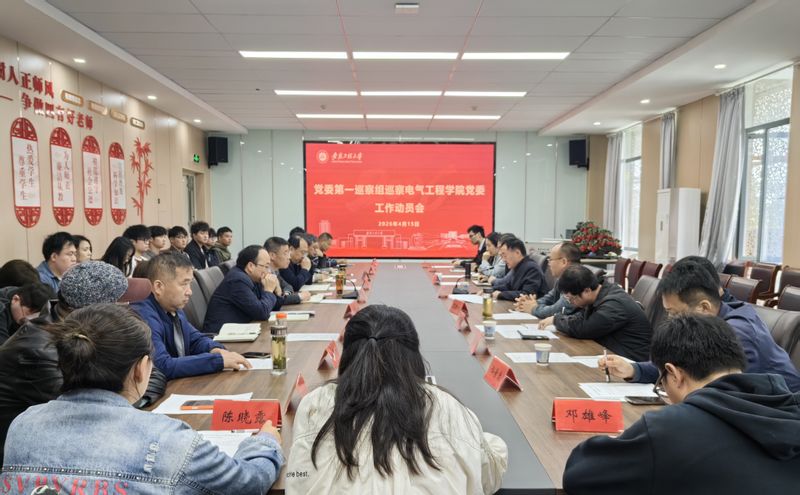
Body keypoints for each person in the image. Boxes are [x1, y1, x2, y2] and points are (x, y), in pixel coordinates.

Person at [1, 303, 285, 494]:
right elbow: (248, 482)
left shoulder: (23, 425)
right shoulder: (168, 440)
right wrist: (266, 441)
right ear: (141, 369)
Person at [563, 314, 800, 494]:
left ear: (674, 374)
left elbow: (579, 476)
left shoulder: (669, 430)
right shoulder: (791, 408)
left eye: (661, 382)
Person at [286, 305, 508, 494]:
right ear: (413, 357)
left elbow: (297, 478)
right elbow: (489, 476)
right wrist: (479, 439)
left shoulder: (314, 404)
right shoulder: (449, 408)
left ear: (349, 354)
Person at [602, 258, 800, 392]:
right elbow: (680, 365)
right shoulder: (707, 324)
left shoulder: (737, 334)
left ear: (704, 307)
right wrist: (633, 369)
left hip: (781, 419)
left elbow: (724, 394)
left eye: (675, 313)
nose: (671, 320)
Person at [0, 261, 129, 465]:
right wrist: (133, 390)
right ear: (94, 311)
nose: (126, 313)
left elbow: (148, 366)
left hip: (63, 441)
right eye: (118, 306)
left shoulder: (82, 329)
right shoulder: (38, 350)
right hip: (27, 459)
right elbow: (86, 411)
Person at [132, 253, 251, 379]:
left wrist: (215, 349)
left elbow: (194, 339)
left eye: (190, 284)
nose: (189, 292)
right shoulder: (143, 315)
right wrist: (216, 361)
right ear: (158, 287)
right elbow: (162, 365)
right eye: (184, 284)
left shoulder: (173, 307)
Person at [541, 264, 651, 361]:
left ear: (587, 291)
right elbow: (580, 318)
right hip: (611, 354)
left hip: (630, 362)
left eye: (572, 298)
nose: (572, 303)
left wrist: (556, 320)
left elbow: (585, 329)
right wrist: (559, 320)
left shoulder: (614, 304)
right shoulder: (600, 295)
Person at [203, 245, 280, 334]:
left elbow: (270, 304)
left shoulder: (253, 278)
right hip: (221, 335)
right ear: (251, 266)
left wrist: (277, 290)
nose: (268, 271)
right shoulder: (237, 280)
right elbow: (262, 312)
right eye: (266, 266)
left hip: (238, 331)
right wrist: (269, 290)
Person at [515, 241, 582, 319]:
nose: (548, 263)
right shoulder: (562, 279)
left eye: (550, 259)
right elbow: (549, 299)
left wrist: (533, 308)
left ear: (563, 262)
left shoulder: (576, 280)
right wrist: (528, 303)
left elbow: (557, 310)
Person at [491, 237, 546, 301]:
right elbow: (508, 286)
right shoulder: (518, 266)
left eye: (505, 256)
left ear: (517, 253)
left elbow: (527, 295)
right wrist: (490, 290)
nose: (503, 260)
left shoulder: (532, 269)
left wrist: (501, 294)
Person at [265, 237, 311, 306]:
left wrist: (285, 294)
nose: (289, 257)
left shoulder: (275, 271)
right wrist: (299, 297)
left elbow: (288, 286)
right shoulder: (264, 274)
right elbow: (275, 301)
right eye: (285, 253)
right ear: (272, 255)